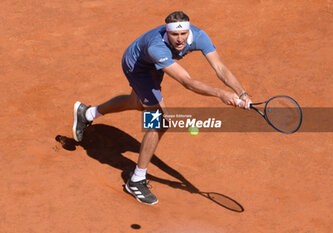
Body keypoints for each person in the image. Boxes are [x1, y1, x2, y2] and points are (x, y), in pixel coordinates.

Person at [72, 11, 252, 205]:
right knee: (159, 121)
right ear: (167, 32)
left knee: (137, 103)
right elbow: (187, 81)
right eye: (175, 35)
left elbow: (220, 67)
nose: (180, 39)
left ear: (189, 30)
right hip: (137, 67)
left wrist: (241, 93)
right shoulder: (157, 47)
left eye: (184, 34)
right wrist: (221, 94)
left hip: (153, 67)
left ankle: (87, 113)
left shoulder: (200, 36)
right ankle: (136, 180)